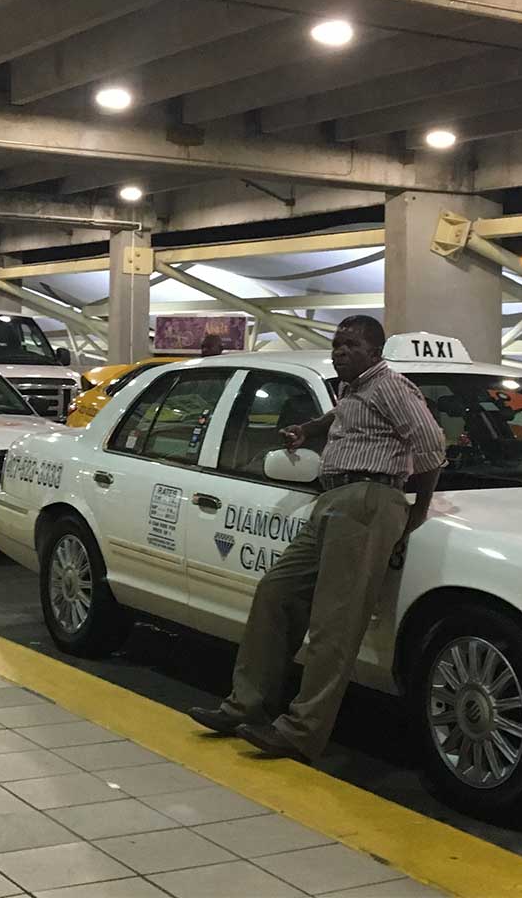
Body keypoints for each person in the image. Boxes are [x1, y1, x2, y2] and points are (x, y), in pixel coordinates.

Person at [189, 315, 445, 762]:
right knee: (276, 592)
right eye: (337, 343)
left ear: (374, 352)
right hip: (334, 498)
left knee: (334, 623)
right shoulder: (353, 389)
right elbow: (346, 416)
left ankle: (301, 730)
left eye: (351, 345)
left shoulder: (389, 385)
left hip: (368, 498)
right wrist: (309, 430)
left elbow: (431, 444)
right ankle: (246, 705)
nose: (340, 351)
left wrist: (417, 510)